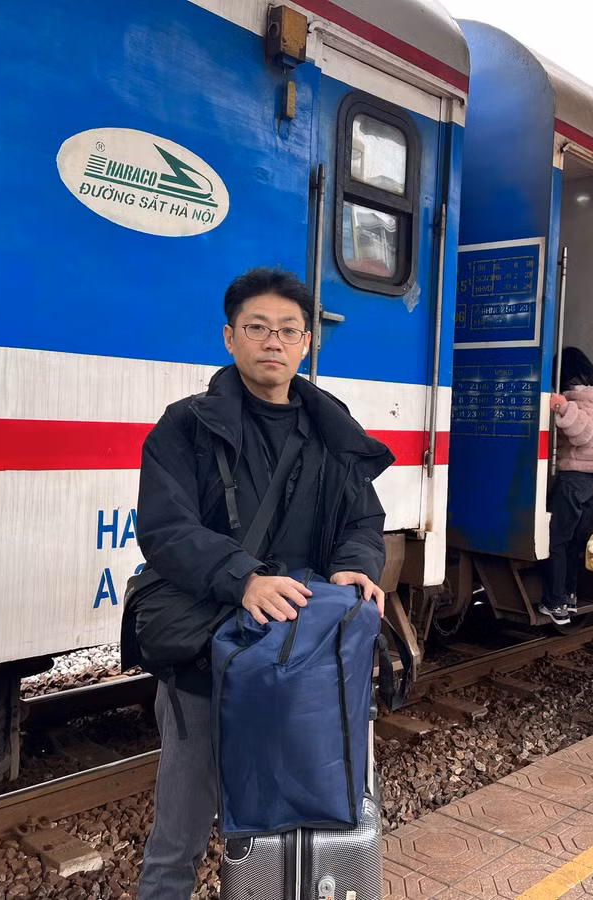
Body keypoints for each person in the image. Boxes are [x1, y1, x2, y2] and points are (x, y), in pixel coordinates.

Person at [134, 268, 392, 900]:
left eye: (287, 330)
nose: (272, 342)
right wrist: (243, 577)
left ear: (306, 343)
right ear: (229, 337)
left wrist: (358, 560)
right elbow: (164, 529)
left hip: (305, 661)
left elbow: (363, 518)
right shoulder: (186, 427)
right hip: (206, 653)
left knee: (307, 816)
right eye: (256, 328)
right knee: (180, 833)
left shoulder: (332, 431)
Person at [540, 347, 593, 624]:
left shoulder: (579, 395)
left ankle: (555, 603)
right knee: (577, 541)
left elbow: (587, 435)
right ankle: (571, 597)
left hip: (577, 476)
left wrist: (562, 407)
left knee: (558, 541)